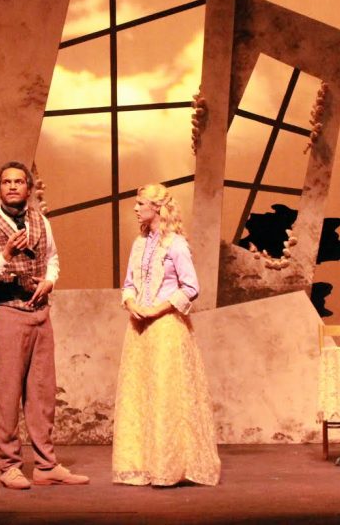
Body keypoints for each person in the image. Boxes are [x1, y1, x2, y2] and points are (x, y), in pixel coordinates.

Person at [0, 161, 89, 490]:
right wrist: (5, 253)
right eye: (6, 182)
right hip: (7, 313)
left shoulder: (41, 222)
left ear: (28, 187)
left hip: (40, 314)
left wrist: (50, 281)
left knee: (42, 393)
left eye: (18, 181)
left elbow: (52, 258)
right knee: (8, 394)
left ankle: (46, 465)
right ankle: (9, 465)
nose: (12, 186)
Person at [112, 183, 221, 487]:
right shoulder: (138, 244)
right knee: (140, 394)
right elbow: (129, 283)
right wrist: (132, 303)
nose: (135, 208)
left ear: (156, 208)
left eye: (140, 203)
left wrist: (157, 309)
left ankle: (169, 466)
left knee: (166, 394)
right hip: (139, 328)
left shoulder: (176, 244)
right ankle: (141, 464)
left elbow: (191, 287)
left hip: (167, 327)